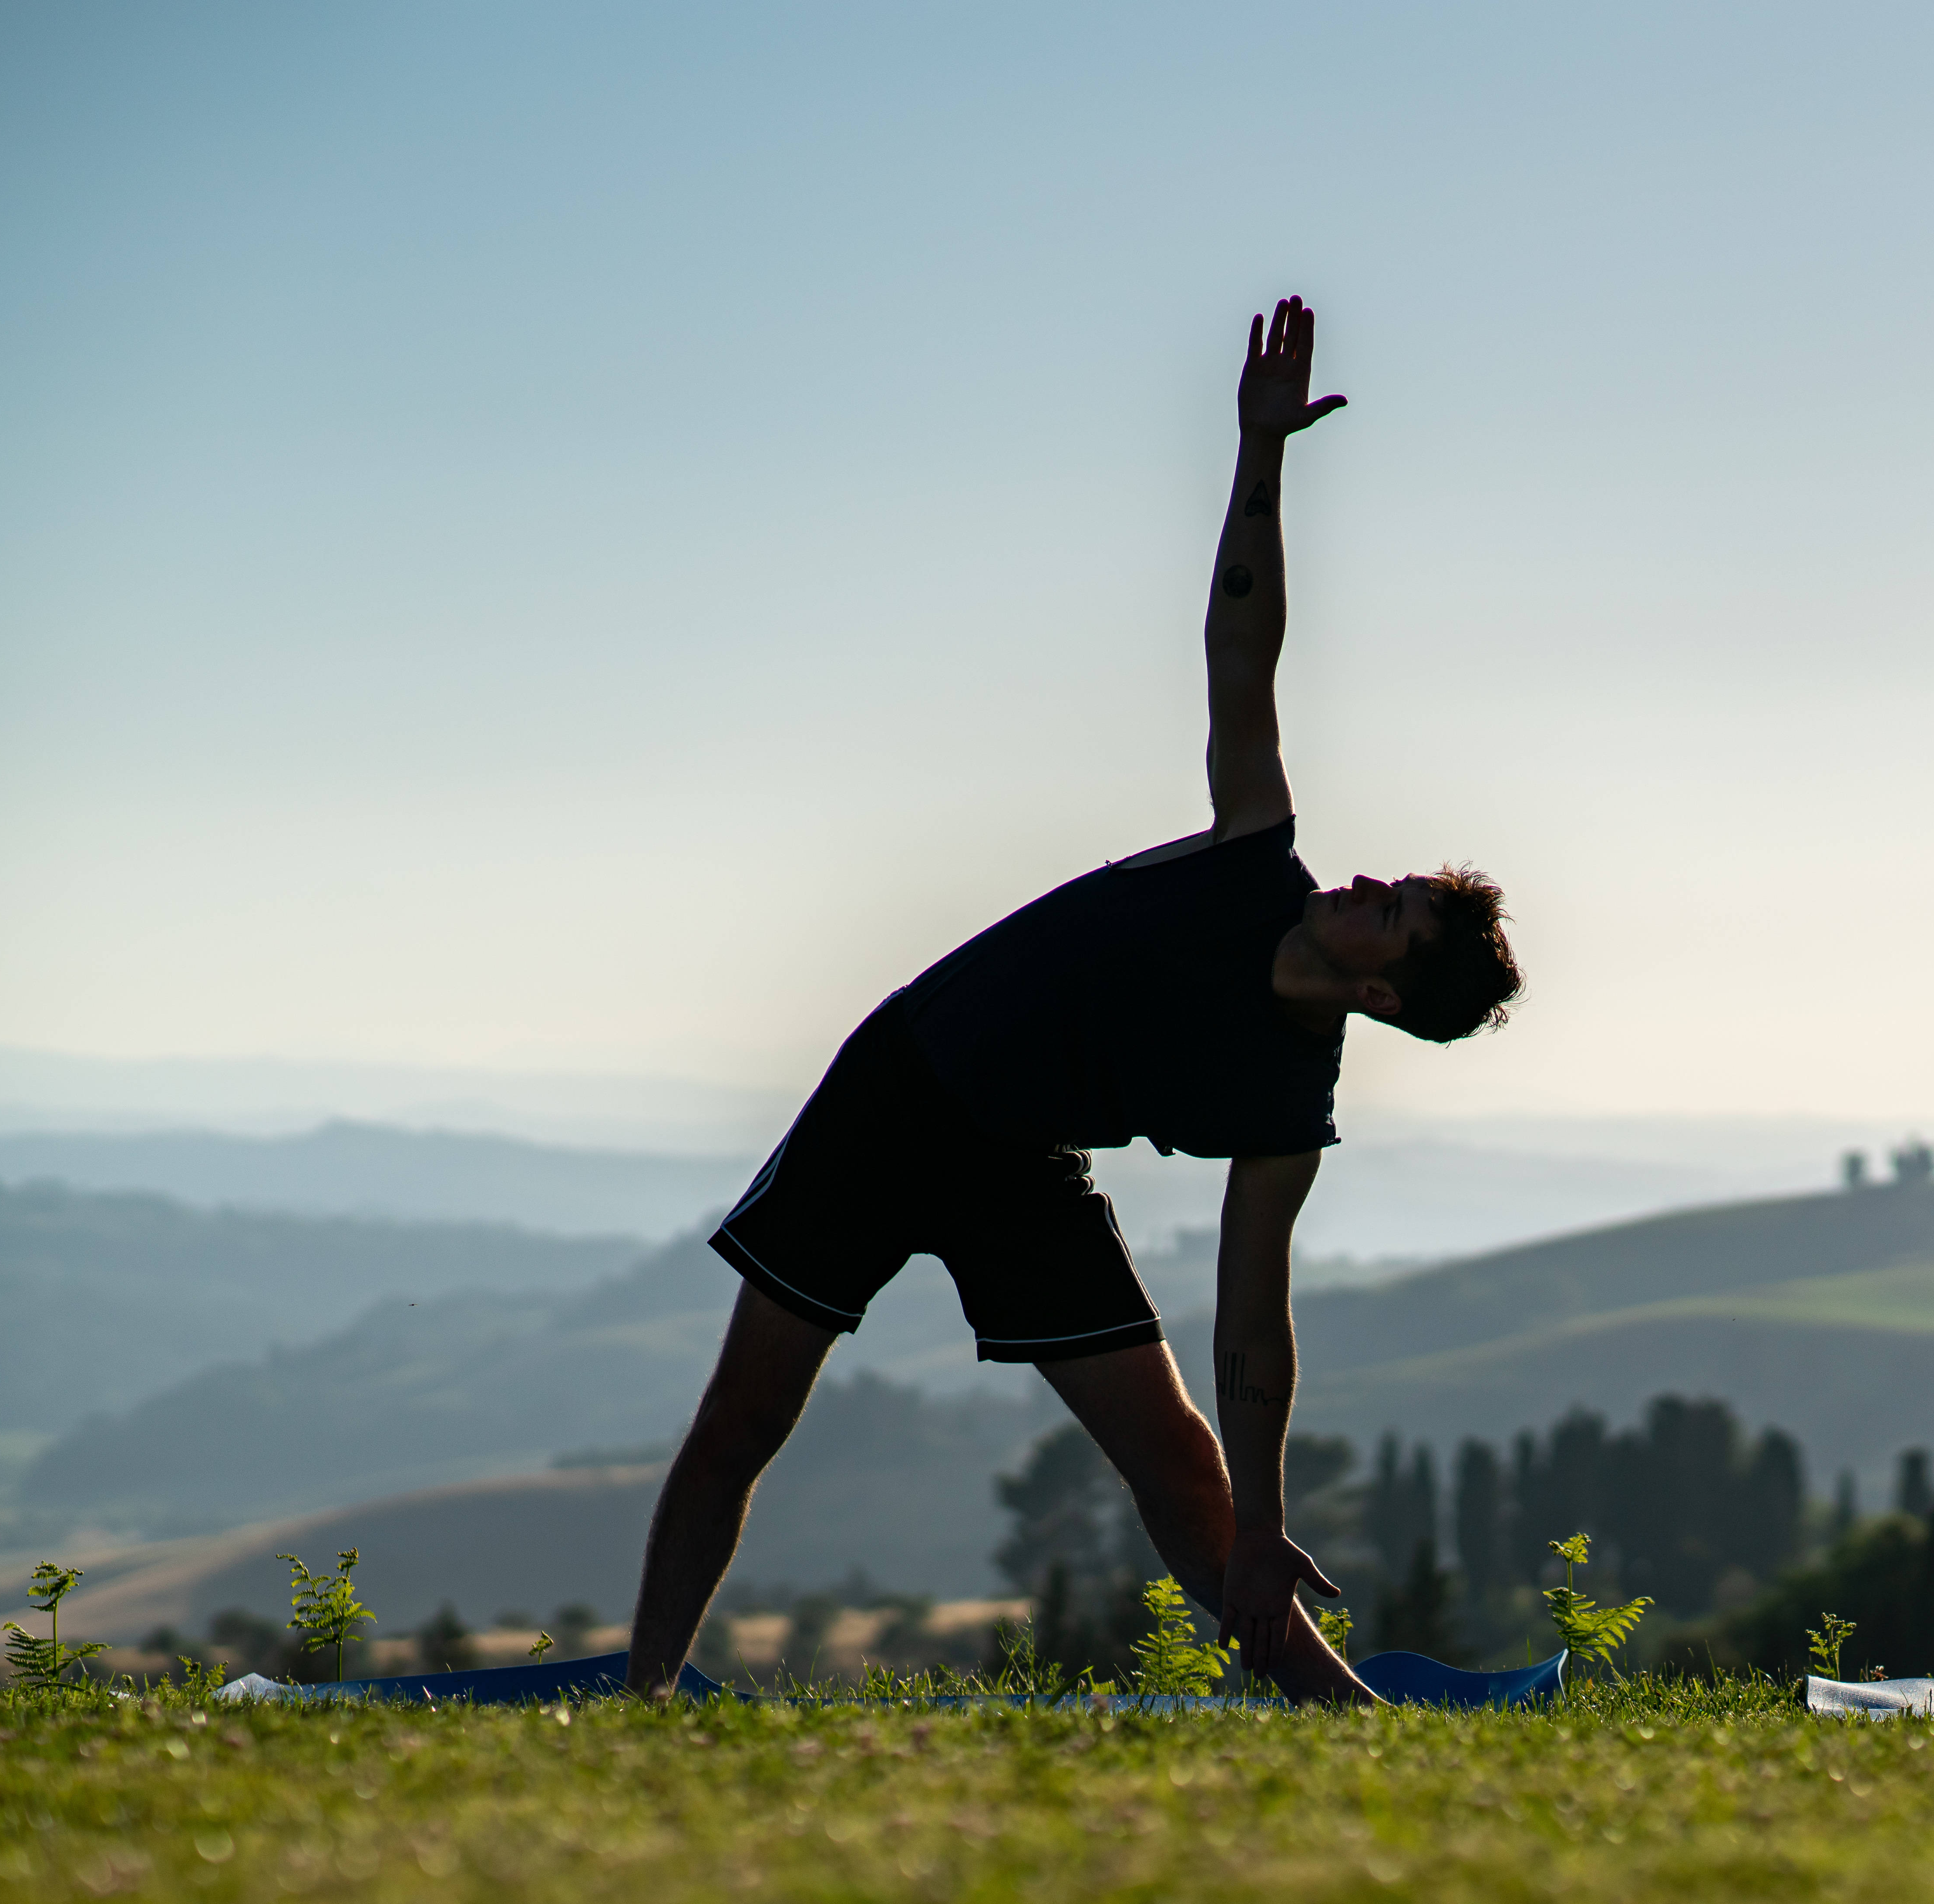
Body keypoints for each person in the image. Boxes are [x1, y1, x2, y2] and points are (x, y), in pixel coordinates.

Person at [624, 297, 1520, 1703]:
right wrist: (1260, 455)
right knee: (743, 1418)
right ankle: (642, 1697)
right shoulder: (1253, 855)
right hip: (900, 1090)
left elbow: (1251, 1332)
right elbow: (1244, 649)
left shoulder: (1289, 1106)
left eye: (1389, 907)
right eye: (1389, 881)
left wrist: (1269, 1525)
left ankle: (1348, 1724)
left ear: (1389, 993)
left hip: (1015, 1171)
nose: (1360, 880)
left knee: (1181, 1465)